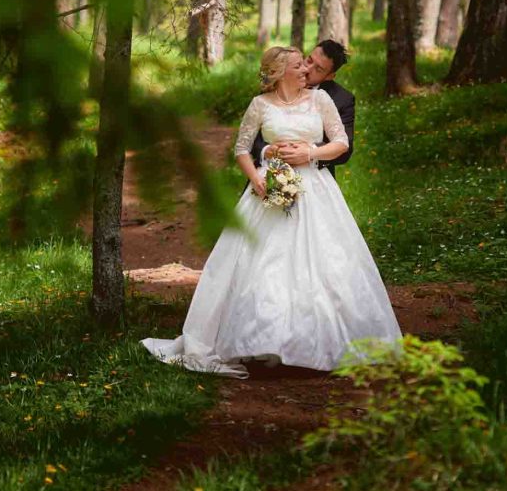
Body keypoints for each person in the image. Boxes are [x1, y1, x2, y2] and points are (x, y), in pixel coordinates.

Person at [141, 46, 401, 378]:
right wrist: (257, 179)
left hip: (316, 190)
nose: (305, 70)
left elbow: (341, 143)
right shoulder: (259, 105)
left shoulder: (321, 100)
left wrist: (309, 152)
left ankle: (316, 343)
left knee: (323, 264)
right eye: (299, 65)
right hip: (269, 186)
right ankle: (260, 340)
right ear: (280, 73)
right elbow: (241, 148)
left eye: (308, 66)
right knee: (263, 265)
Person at [251, 39, 354, 181]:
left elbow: (345, 151)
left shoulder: (342, 99)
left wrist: (309, 152)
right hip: (268, 174)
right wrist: (266, 151)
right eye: (309, 60)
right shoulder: (277, 83)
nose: (307, 69)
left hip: (315, 178)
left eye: (318, 69)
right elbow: (251, 137)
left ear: (330, 76)